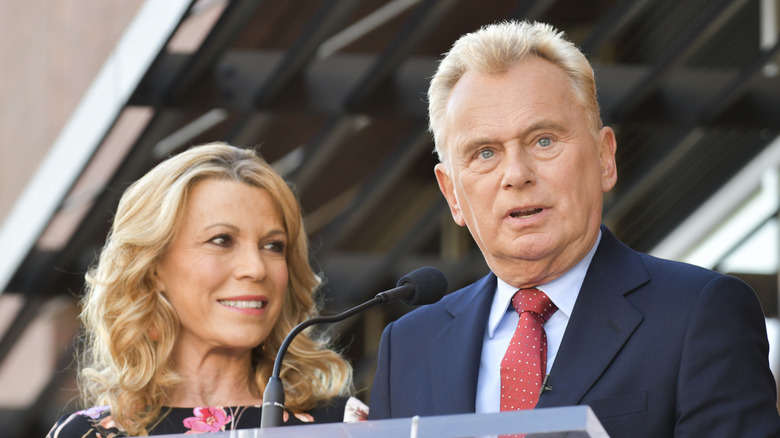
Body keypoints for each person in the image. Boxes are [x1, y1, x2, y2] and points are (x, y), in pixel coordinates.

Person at [368, 20, 780, 437]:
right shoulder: (408, 347)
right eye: (485, 152)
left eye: (543, 140)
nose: (516, 174)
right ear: (452, 193)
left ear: (604, 158)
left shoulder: (699, 315)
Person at [47, 143, 367, 437]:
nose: (255, 268)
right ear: (154, 266)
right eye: (221, 240)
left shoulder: (345, 426)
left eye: (272, 245)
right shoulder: (88, 433)